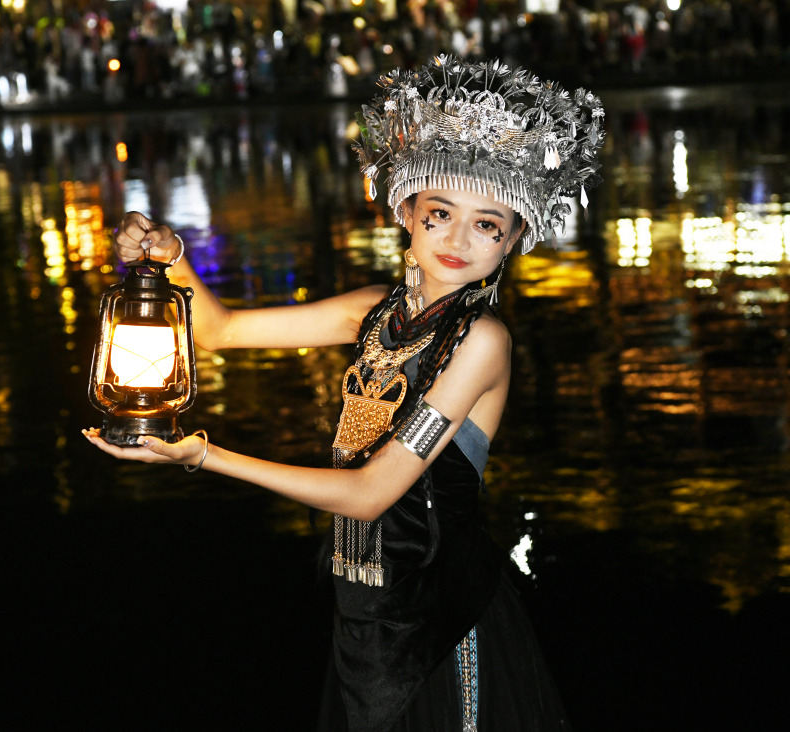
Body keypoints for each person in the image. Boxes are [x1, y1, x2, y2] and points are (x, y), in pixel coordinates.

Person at [84, 54, 606, 731]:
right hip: (364, 609)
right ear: (406, 212)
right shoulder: (373, 312)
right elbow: (218, 331)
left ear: (510, 242)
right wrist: (171, 250)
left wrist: (200, 457)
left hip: (438, 619)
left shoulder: (481, 342)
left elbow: (370, 492)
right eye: (440, 213)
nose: (455, 238)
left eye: (486, 225)